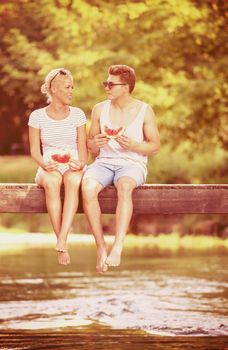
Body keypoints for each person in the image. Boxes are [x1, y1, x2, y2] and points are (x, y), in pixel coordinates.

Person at [82, 64, 160, 273]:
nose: (106, 87)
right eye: (105, 83)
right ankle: (101, 247)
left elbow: (155, 146)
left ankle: (118, 246)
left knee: (124, 188)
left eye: (111, 84)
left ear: (126, 87)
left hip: (132, 165)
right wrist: (94, 144)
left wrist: (134, 146)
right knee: (87, 188)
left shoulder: (144, 110)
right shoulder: (99, 109)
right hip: (104, 163)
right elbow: (91, 148)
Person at [28, 68, 87, 265]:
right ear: (53, 89)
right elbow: (35, 151)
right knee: (53, 182)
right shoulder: (37, 116)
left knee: (72, 181)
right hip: (48, 167)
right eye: (67, 87)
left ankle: (63, 238)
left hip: (73, 165)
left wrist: (80, 163)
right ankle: (60, 241)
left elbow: (83, 149)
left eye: (73, 87)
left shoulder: (78, 114)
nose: (72, 91)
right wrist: (45, 164)